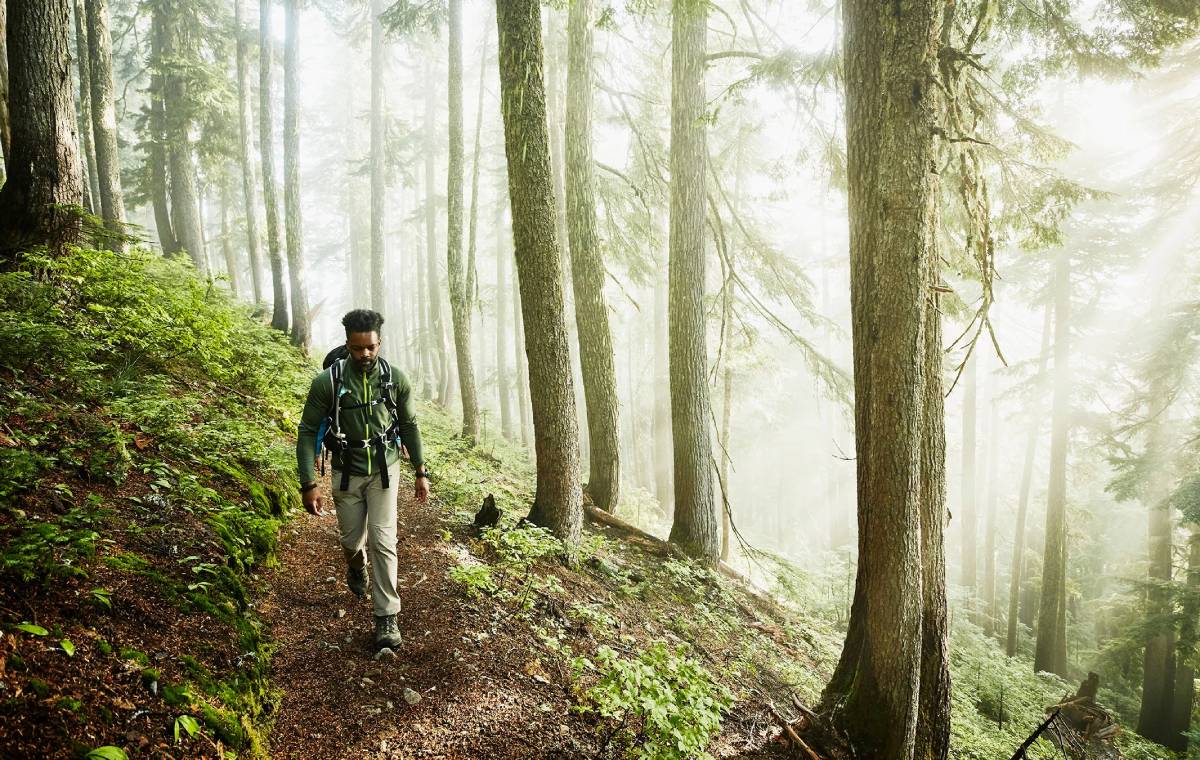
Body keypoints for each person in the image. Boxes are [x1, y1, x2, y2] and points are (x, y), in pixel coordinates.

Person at [296, 309, 431, 649]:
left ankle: (387, 618)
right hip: (345, 473)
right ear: (347, 345)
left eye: (371, 347)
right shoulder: (327, 381)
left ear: (379, 342)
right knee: (351, 540)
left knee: (383, 541)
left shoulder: (395, 379)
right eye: (358, 349)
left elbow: (410, 425)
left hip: (385, 470)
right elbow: (307, 430)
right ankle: (356, 568)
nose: (365, 355)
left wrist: (420, 471)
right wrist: (308, 483)